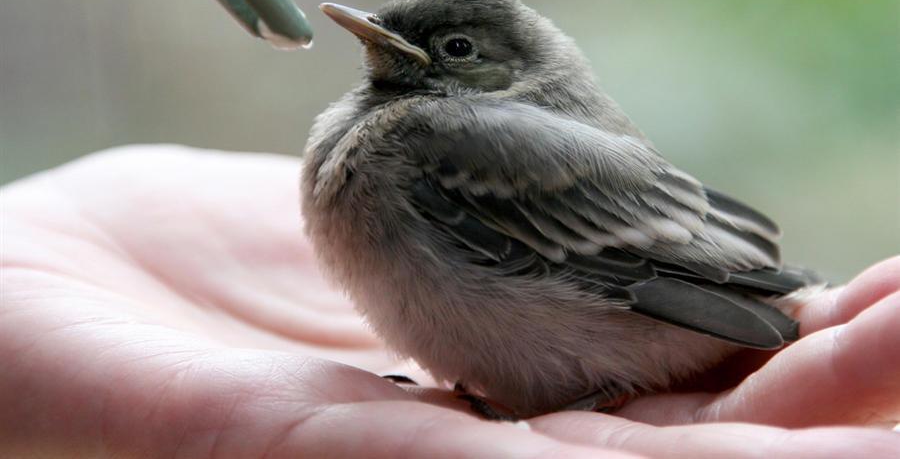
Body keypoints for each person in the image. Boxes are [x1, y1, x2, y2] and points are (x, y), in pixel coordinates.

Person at [1, 145, 897, 458]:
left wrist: (756, 309)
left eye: (455, 48)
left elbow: (631, 265)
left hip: (682, 283)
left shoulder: (441, 145)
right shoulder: (411, 142)